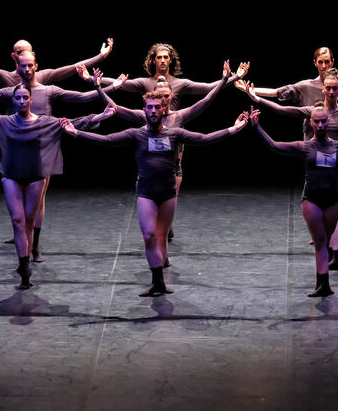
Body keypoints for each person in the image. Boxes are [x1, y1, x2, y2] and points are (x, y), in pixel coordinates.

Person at [0, 51, 126, 260]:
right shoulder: (8, 87)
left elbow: (79, 90)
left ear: (36, 64)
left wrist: (110, 84)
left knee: (38, 199)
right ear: (16, 61)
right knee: (19, 200)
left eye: (30, 65)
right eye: (22, 65)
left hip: (45, 143)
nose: (27, 69)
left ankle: (35, 244)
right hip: (16, 140)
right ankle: (23, 234)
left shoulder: (49, 88)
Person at [61, 91, 249, 297]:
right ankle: (156, 279)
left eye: (157, 107)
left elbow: (203, 139)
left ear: (163, 109)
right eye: (149, 107)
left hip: (168, 193)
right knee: (150, 235)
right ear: (144, 110)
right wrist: (76, 133)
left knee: (161, 236)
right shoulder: (136, 134)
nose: (153, 110)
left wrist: (233, 129)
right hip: (146, 194)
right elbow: (106, 140)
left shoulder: (174, 134)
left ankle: (159, 283)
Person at [0, 84, 115, 289]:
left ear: (31, 99)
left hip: (36, 177)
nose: (21, 101)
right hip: (11, 177)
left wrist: (102, 116)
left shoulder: (45, 122)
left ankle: (28, 257)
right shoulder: (2, 122)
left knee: (28, 221)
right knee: (17, 221)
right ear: (13, 100)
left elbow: (74, 123)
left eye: (25, 98)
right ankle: (24, 268)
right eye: (17, 98)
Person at [80, 60, 239, 245]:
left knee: (168, 204)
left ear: (171, 97)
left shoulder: (179, 116)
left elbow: (206, 101)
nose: (162, 100)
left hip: (173, 168)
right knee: (152, 212)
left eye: (166, 96)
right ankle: (159, 240)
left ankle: (165, 232)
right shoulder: (146, 115)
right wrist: (99, 89)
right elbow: (117, 109)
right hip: (149, 169)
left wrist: (224, 80)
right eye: (159, 96)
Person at [240, 68, 338, 270]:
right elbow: (283, 111)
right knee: (323, 211)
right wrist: (257, 99)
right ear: (323, 89)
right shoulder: (314, 112)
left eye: (335, 89)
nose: (332, 92)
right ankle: (329, 253)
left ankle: (337, 255)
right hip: (318, 166)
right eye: (328, 89)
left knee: (334, 209)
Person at [249, 104, 338, 297]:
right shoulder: (304, 146)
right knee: (320, 240)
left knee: (325, 239)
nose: (321, 125)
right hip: (312, 198)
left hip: (332, 199)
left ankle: (324, 283)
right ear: (311, 123)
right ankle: (322, 283)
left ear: (328, 123)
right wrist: (256, 127)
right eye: (317, 121)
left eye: (324, 121)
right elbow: (274, 145)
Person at [94, 42, 249, 110]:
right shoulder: (143, 82)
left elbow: (208, 88)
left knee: (174, 172)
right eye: (159, 57)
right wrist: (91, 78)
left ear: (170, 60)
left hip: (174, 127)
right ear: (153, 60)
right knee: (151, 168)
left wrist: (234, 77)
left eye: (166, 57)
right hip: (150, 128)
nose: (162, 60)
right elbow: (119, 83)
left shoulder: (180, 83)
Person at [0, 37, 114, 87]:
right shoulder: (4, 77)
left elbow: (72, 68)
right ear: (13, 56)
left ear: (33, 56)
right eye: (19, 53)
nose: (23, 55)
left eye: (26, 53)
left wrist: (101, 56)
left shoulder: (43, 76)